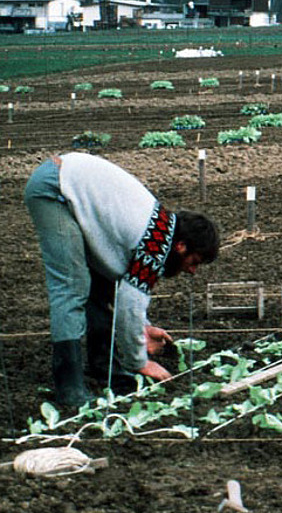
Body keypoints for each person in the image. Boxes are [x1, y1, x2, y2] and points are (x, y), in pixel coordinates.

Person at [24, 152, 220, 407]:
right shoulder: (156, 242)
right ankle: (69, 387)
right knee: (72, 286)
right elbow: (130, 304)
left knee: (99, 285)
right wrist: (140, 362)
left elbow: (123, 290)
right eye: (194, 262)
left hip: (67, 181)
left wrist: (143, 328)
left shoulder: (161, 231)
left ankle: (103, 367)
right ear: (181, 246)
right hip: (54, 189)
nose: (192, 271)